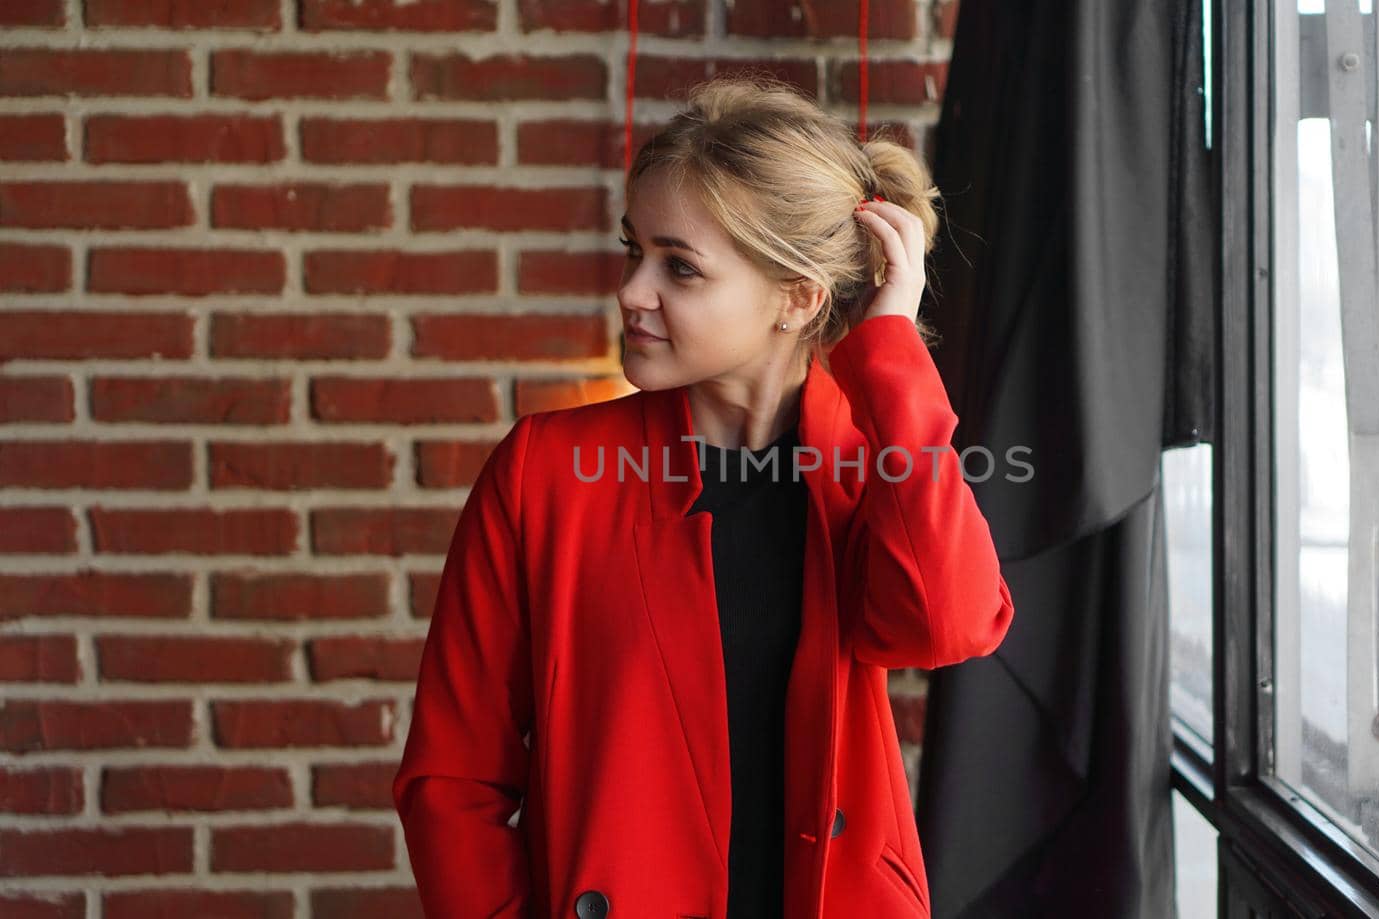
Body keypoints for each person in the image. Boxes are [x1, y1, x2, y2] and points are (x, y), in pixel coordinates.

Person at [392, 75, 1016, 919]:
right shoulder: (545, 473)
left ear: (797, 298)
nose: (631, 291)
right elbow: (451, 777)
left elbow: (948, 621)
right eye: (633, 250)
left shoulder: (874, 465)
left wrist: (893, 349)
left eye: (678, 267)